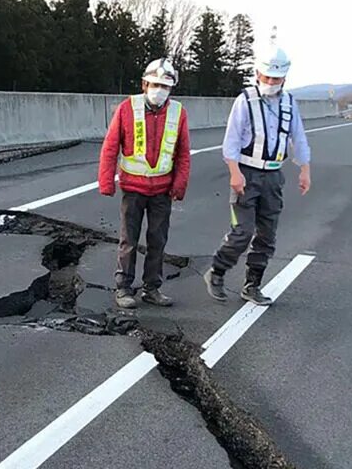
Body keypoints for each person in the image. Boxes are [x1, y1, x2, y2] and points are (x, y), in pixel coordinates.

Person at [203, 43, 311, 306]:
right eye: (268, 77)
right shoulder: (245, 101)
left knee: (267, 234)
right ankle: (216, 271)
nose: (272, 82)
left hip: (273, 176)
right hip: (247, 174)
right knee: (242, 232)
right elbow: (231, 141)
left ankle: (252, 285)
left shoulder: (289, 103)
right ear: (258, 74)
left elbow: (298, 136)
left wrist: (305, 169)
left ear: (285, 77)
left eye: (277, 78)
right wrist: (234, 173)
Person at [98, 59, 191, 309]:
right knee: (129, 240)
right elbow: (110, 146)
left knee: (157, 241)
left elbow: (183, 153)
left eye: (165, 86)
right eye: (155, 84)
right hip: (133, 190)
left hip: (162, 191)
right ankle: (123, 288)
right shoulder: (127, 108)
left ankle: (152, 288)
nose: (159, 90)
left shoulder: (178, 113)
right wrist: (106, 181)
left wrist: (179, 185)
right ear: (144, 83)